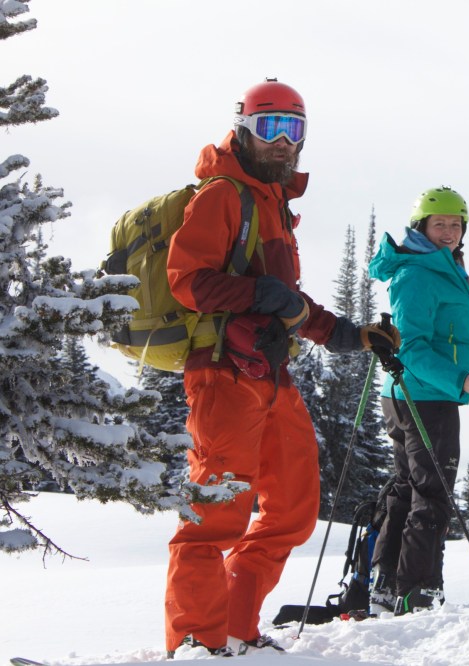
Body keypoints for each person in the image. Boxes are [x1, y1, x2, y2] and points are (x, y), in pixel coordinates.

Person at [163, 79, 398, 657]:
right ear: (244, 128)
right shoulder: (223, 194)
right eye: (271, 128)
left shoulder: (271, 202)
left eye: (294, 130)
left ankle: (238, 632)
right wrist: (264, 296)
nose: (283, 142)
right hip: (222, 373)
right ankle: (198, 641)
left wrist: (351, 335)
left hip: (270, 376)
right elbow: (187, 282)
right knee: (216, 515)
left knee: (293, 511)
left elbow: (287, 299)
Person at [367, 186, 469, 615]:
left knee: (407, 489)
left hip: (417, 393)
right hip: (424, 396)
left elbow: (460, 339)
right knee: (432, 494)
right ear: (422, 227)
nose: (448, 231)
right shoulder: (417, 275)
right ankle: (419, 591)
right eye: (439, 224)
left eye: (455, 224)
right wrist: (462, 381)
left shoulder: (445, 268)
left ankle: (388, 587)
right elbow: (410, 347)